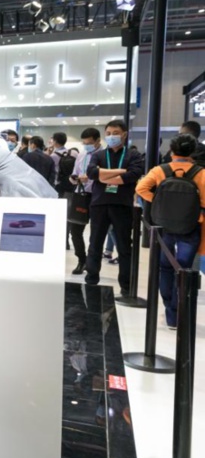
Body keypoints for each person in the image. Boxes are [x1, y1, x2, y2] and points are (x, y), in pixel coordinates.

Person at [136, 134, 205, 329]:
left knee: (165, 267)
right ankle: (179, 310)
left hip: (164, 225)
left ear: (172, 151)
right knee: (183, 268)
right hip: (190, 226)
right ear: (192, 152)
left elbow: (141, 188)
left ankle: (169, 310)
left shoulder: (160, 170)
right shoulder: (200, 173)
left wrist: (158, 202)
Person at [84, 120, 144, 297]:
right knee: (95, 242)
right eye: (108, 133)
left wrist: (105, 175)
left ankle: (126, 286)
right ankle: (91, 278)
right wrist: (120, 172)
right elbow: (92, 173)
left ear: (124, 134)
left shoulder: (133, 155)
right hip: (99, 204)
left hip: (122, 205)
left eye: (115, 132)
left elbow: (134, 174)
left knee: (124, 247)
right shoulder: (99, 154)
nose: (111, 136)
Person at [68, 128, 101, 275]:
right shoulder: (81, 155)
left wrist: (92, 177)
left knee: (96, 233)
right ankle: (82, 259)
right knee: (75, 231)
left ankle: (93, 263)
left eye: (89, 143)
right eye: (84, 142)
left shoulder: (102, 155)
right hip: (80, 195)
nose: (86, 145)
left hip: (97, 197)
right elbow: (75, 173)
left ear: (98, 141)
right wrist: (73, 178)